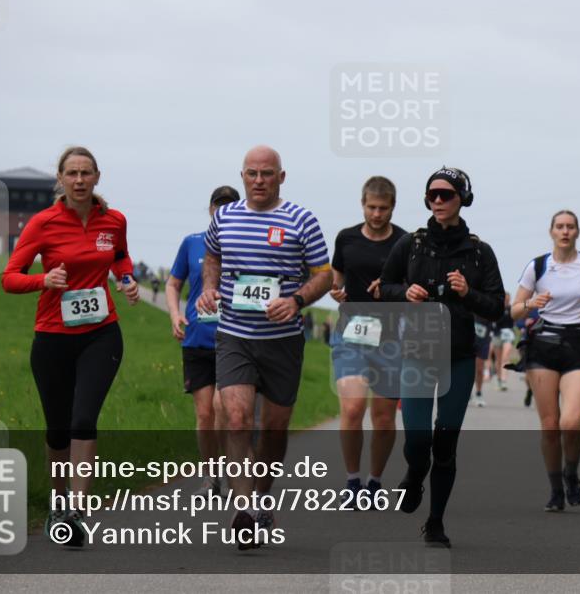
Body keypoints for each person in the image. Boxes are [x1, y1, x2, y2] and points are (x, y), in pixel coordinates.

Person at [2, 146, 140, 547]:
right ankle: (58, 503)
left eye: (86, 173)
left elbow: (120, 255)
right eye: (72, 173)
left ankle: (78, 508)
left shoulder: (114, 220)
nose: (79, 180)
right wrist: (43, 281)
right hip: (52, 337)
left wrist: (126, 278)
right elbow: (10, 277)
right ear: (60, 180)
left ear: (98, 177)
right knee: (58, 428)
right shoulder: (43, 224)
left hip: (101, 333)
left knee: (83, 419)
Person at [195, 145, 332, 549]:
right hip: (235, 335)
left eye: (267, 174)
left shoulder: (301, 220)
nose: (258, 181)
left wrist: (296, 301)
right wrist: (208, 288)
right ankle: (246, 508)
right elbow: (211, 258)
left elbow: (323, 274)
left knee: (273, 427)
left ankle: (260, 493)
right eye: (252, 174)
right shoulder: (224, 217)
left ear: (281, 177)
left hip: (283, 341)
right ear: (242, 176)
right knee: (236, 419)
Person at [379, 166, 504, 547]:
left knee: (445, 444)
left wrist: (467, 293)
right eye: (432, 194)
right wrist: (406, 293)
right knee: (418, 441)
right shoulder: (412, 245)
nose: (437, 201)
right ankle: (415, 475)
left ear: (462, 199)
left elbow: (497, 306)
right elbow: (385, 287)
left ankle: (435, 522)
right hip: (417, 353)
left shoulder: (480, 252)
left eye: (446, 194)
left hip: (459, 357)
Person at [510, 210, 580, 512]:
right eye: (560, 226)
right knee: (551, 426)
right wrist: (531, 304)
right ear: (551, 231)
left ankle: (571, 473)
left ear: (578, 231)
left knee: (571, 423)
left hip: (578, 343)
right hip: (543, 344)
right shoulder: (538, 266)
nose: (565, 231)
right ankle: (555, 489)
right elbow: (515, 310)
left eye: (570, 227)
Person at [329, 176, 406, 503]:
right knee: (353, 406)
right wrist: (336, 292)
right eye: (371, 207)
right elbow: (337, 280)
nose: (377, 214)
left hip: (389, 337)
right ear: (362, 205)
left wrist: (391, 291)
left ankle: (374, 482)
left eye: (383, 208)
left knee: (384, 417)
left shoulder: (405, 242)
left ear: (392, 207)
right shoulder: (346, 238)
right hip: (352, 333)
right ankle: (352, 481)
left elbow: (414, 290)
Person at [166, 185, 241, 497]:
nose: (222, 213)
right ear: (210, 210)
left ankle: (230, 467)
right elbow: (173, 284)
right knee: (205, 414)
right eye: (218, 207)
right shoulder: (192, 243)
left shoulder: (245, 244)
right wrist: (174, 314)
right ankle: (211, 476)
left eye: (229, 207)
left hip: (234, 339)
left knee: (222, 407)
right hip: (197, 338)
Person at [491, 293, 514, 391]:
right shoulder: (496, 308)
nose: (506, 301)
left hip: (508, 334)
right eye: (505, 299)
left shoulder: (511, 309)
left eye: (508, 299)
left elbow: (515, 319)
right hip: (497, 334)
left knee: (505, 357)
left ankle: (504, 381)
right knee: (498, 359)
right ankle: (499, 378)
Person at [472, 317, 493, 407]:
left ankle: (479, 393)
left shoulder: (486, 306)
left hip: (482, 341)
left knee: (479, 369)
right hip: (468, 341)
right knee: (468, 369)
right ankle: (466, 392)